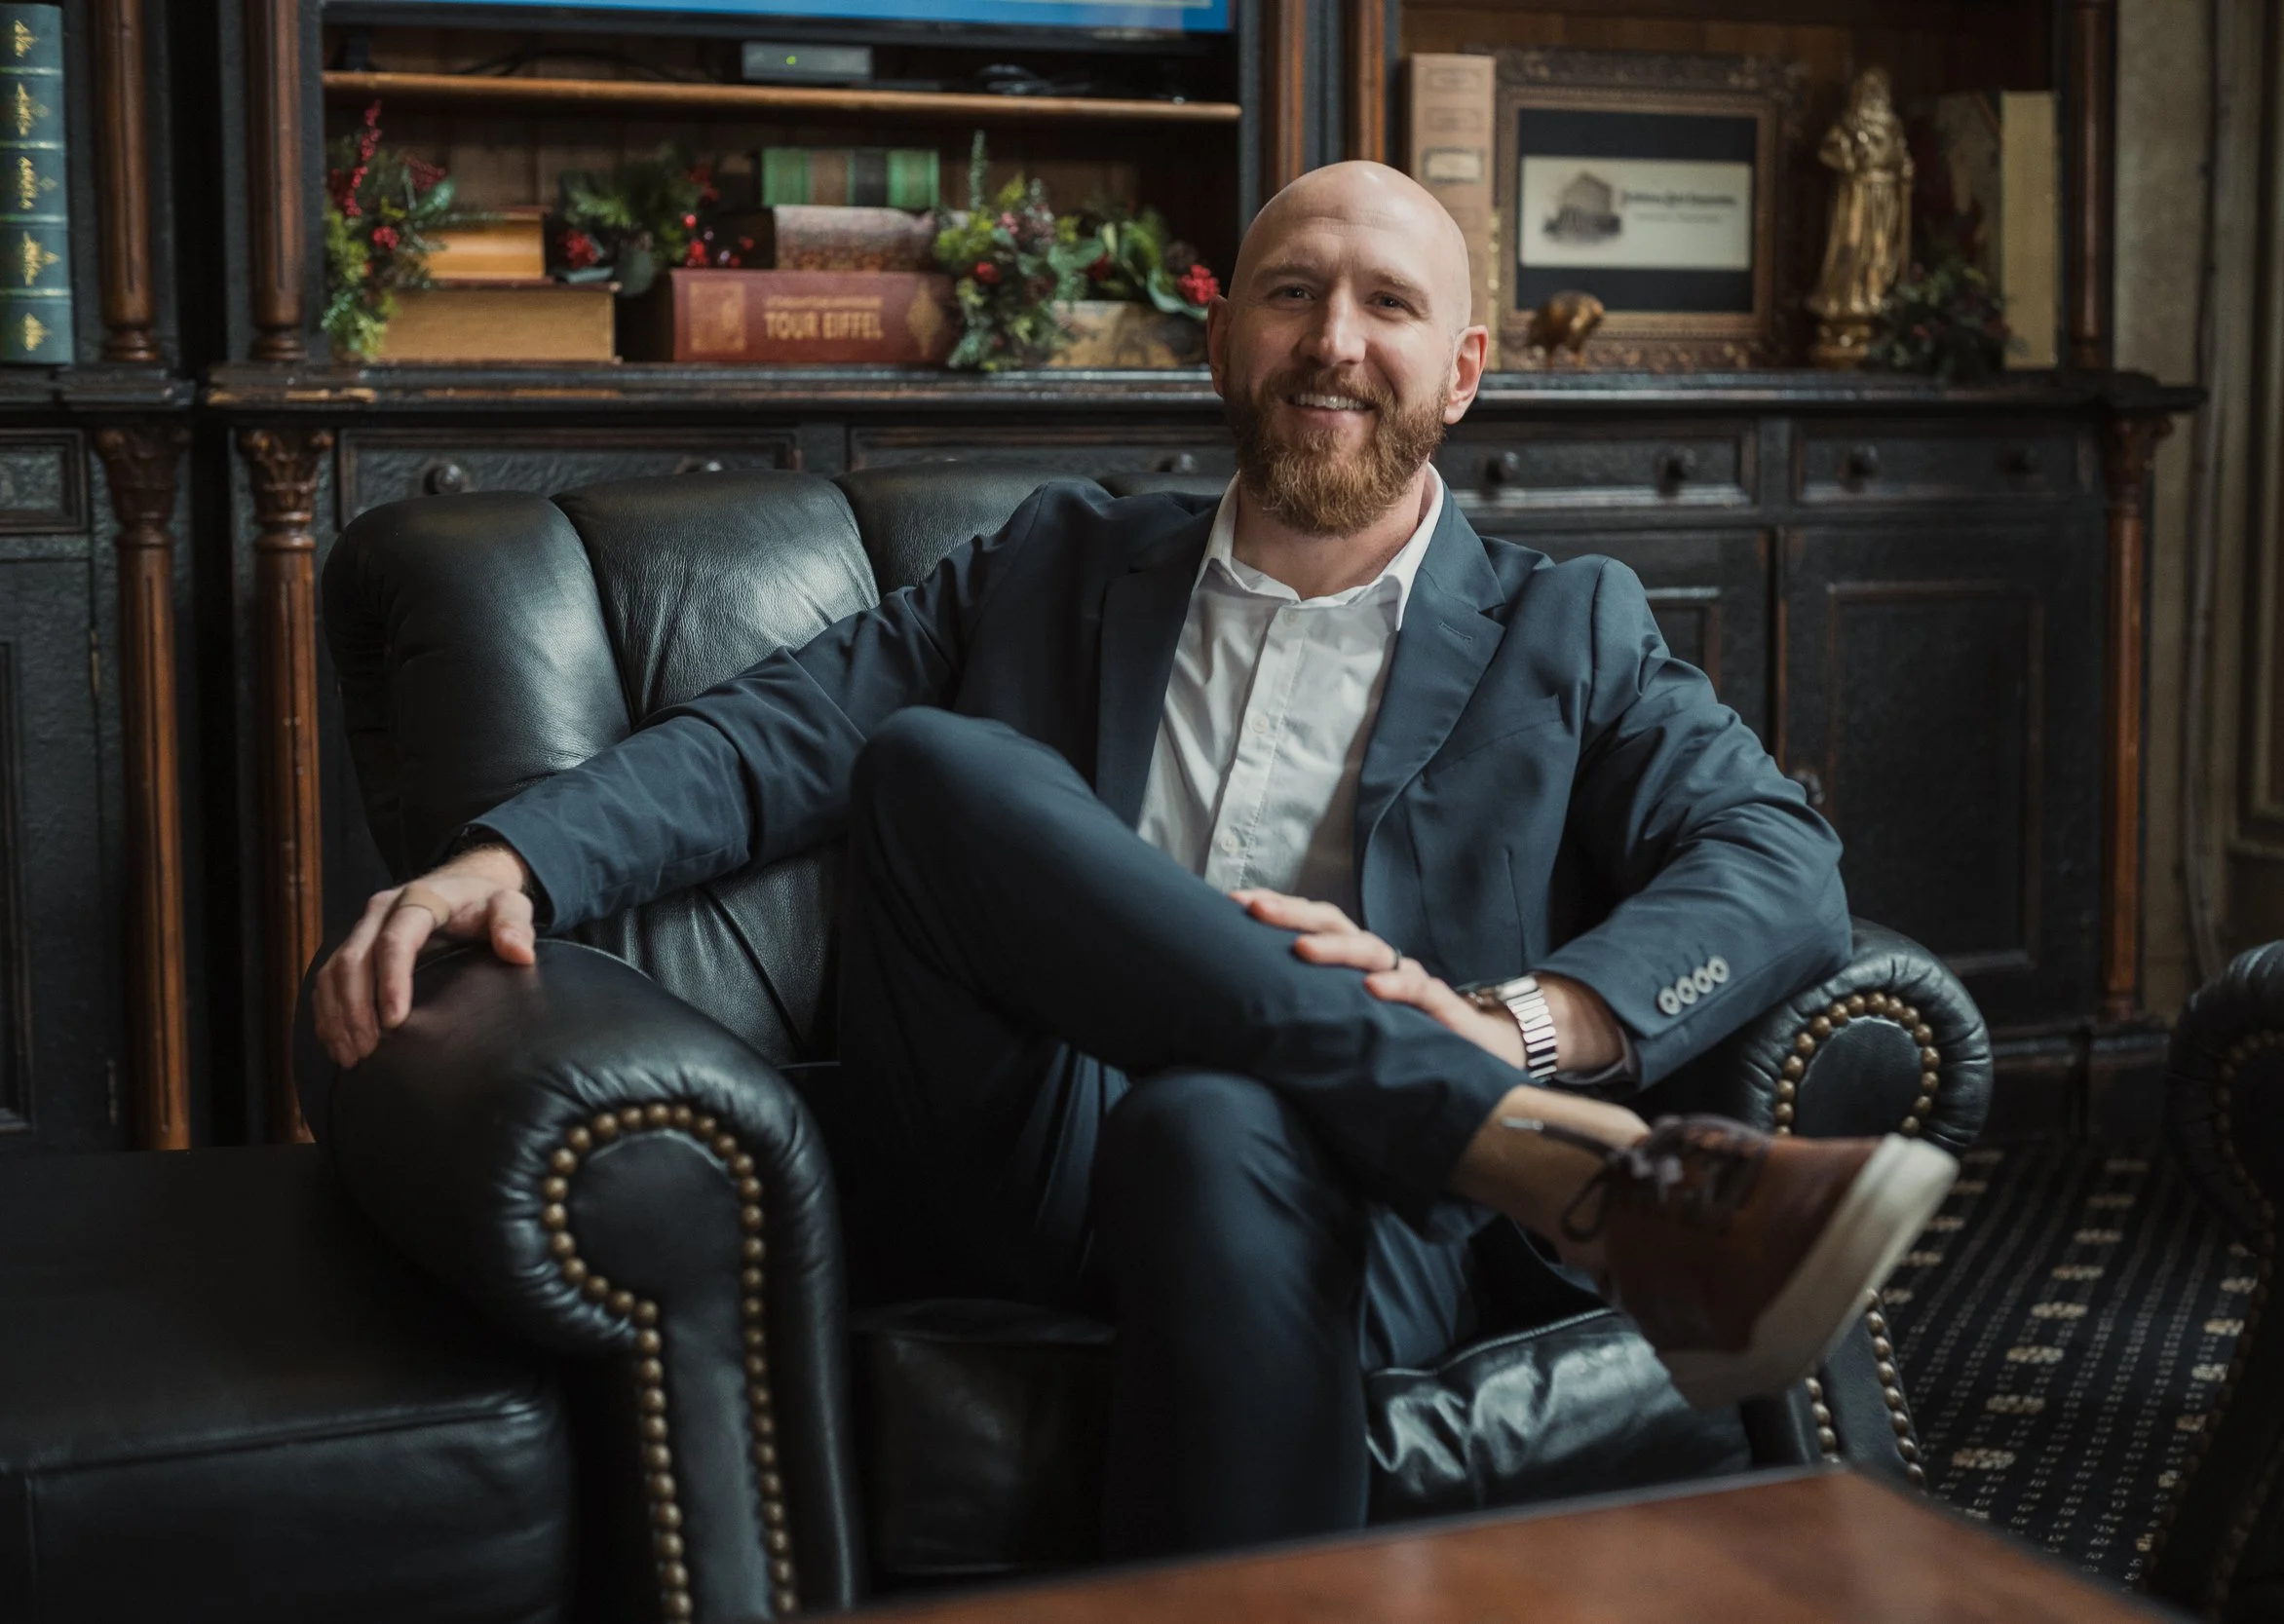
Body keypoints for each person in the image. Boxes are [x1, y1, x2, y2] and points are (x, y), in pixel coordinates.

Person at [313, 161, 1953, 1557]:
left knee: (1221, 1108)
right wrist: (519, 856)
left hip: (1339, 1207)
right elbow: (773, 737)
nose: (1333, 340)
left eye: (1386, 305)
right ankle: (1543, 1160)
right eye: (1291, 293)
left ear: (1460, 373)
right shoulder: (1052, 559)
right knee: (925, 761)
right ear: (1223, 335)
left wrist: (1521, 1024)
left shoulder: (1566, 629)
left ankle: (1454, 1111)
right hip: (1013, 1147)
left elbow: (1777, 857)